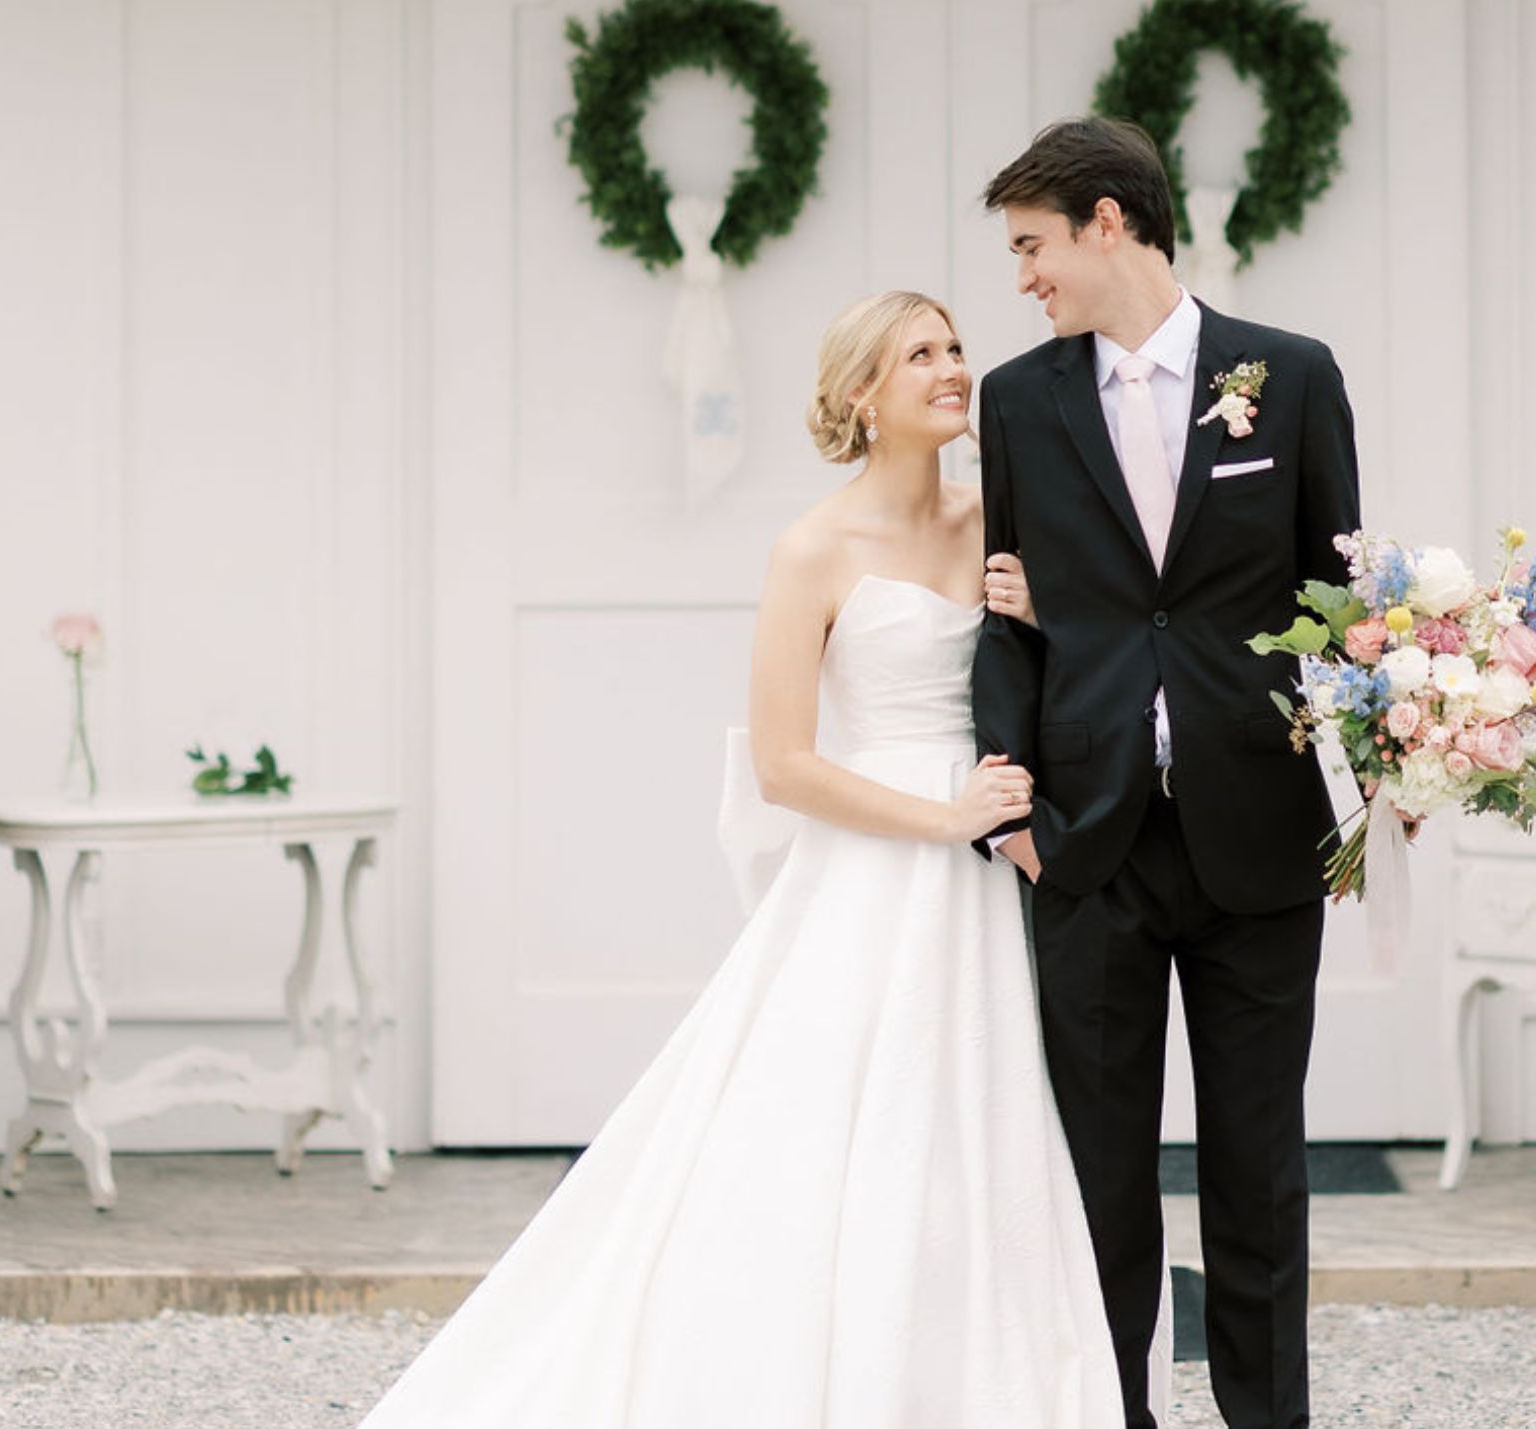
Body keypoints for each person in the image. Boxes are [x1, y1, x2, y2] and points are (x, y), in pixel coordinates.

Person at [355, 290, 1162, 1428]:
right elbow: (784, 765)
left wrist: (1049, 614)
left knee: (998, 1127)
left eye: (953, 348)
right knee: (863, 1125)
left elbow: (1100, 669)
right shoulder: (811, 548)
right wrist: (944, 818)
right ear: (861, 395)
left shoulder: (1002, 521)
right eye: (918, 355)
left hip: (1013, 860)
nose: (952, 369)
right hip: (888, 863)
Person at [973, 117, 1363, 1429]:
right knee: (1098, 1180)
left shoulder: (1290, 375)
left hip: (1259, 833)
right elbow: (1006, 620)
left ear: (1107, 222)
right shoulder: (1017, 401)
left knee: (1258, 1169)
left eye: (1031, 245)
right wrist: (1014, 815)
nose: (1023, 276)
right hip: (1087, 844)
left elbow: (1336, 601)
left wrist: (1376, 775)